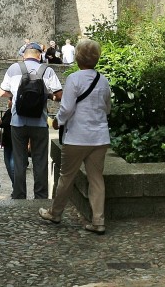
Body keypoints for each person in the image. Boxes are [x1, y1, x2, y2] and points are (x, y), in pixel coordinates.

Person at [39, 39, 111, 234]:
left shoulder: (74, 79)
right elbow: (107, 108)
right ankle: (98, 221)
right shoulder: (103, 80)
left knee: (66, 177)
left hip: (77, 137)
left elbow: (67, 107)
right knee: (97, 179)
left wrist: (57, 121)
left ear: (78, 58)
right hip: (99, 137)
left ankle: (55, 212)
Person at [0, 43, 62, 200]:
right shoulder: (47, 70)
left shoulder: (14, 68)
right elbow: (59, 95)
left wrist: (15, 95)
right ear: (39, 55)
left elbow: (2, 92)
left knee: (19, 161)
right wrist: (46, 95)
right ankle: (40, 196)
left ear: (24, 55)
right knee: (40, 161)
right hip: (40, 122)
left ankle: (19, 195)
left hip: (17, 122)